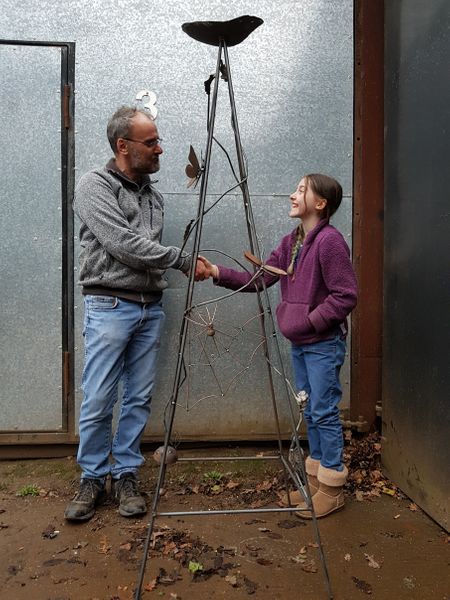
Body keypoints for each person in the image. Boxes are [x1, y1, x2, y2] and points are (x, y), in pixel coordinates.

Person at [65, 106, 206, 522]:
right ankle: (92, 476)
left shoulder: (153, 196)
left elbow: (141, 255)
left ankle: (126, 473)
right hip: (109, 304)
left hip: (149, 308)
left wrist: (167, 265)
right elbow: (123, 244)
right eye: (151, 142)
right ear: (123, 146)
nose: (160, 149)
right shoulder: (94, 186)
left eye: (158, 140)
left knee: (138, 398)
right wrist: (182, 260)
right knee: (99, 397)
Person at [198, 174, 357, 518]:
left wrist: (311, 321)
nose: (292, 194)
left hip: (323, 344)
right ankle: (315, 487)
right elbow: (261, 278)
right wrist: (215, 271)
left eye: (301, 190)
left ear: (321, 203)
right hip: (301, 344)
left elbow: (346, 295)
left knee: (324, 412)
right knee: (310, 412)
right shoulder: (293, 241)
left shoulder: (330, 242)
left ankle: (332, 490)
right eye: (295, 188)